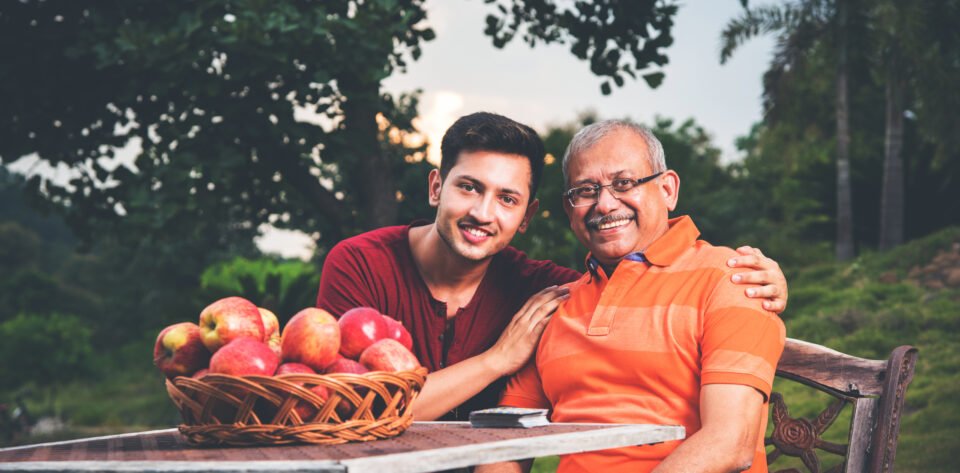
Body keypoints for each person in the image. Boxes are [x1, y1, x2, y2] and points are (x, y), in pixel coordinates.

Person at [316, 112, 788, 421]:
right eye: (469, 187)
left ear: (527, 217)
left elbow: (637, 290)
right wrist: (497, 360)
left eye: (507, 198)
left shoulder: (545, 290)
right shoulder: (360, 263)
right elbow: (354, 415)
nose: (483, 213)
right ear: (436, 187)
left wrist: (760, 281)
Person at [478, 121, 787, 473]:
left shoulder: (734, 278)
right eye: (585, 190)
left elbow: (731, 444)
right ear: (569, 209)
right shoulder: (553, 307)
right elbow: (506, 441)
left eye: (624, 183)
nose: (605, 204)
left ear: (668, 189)